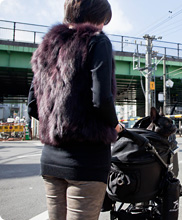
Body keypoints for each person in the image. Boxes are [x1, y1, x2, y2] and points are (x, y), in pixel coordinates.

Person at [27, 0, 124, 219]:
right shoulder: (97, 41)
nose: (102, 27)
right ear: (97, 18)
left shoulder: (46, 46)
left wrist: (57, 123)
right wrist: (115, 124)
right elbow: (101, 99)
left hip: (50, 161)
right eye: (103, 21)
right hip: (87, 161)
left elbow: (33, 105)